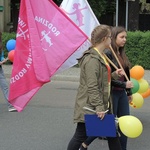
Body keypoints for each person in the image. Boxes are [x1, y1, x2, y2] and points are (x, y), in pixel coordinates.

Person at [67, 25, 124, 150]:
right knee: (80, 136)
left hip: (100, 105)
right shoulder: (92, 59)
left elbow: (102, 79)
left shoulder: (100, 55)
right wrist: (99, 107)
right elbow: (92, 86)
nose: (111, 39)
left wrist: (114, 74)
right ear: (104, 39)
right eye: (110, 37)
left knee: (112, 134)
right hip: (91, 106)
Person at [104, 26, 133, 150]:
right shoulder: (108, 54)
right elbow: (107, 78)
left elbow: (127, 76)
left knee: (125, 123)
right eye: (122, 37)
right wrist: (124, 85)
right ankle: (84, 144)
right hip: (112, 93)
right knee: (109, 125)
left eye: (125, 37)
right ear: (113, 37)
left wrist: (128, 91)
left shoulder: (121, 53)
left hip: (121, 93)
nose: (124, 39)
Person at [0, 32, 17, 112]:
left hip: (0, 70)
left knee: (5, 87)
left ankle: (10, 106)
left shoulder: (0, 47)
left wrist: (6, 59)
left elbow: (1, 58)